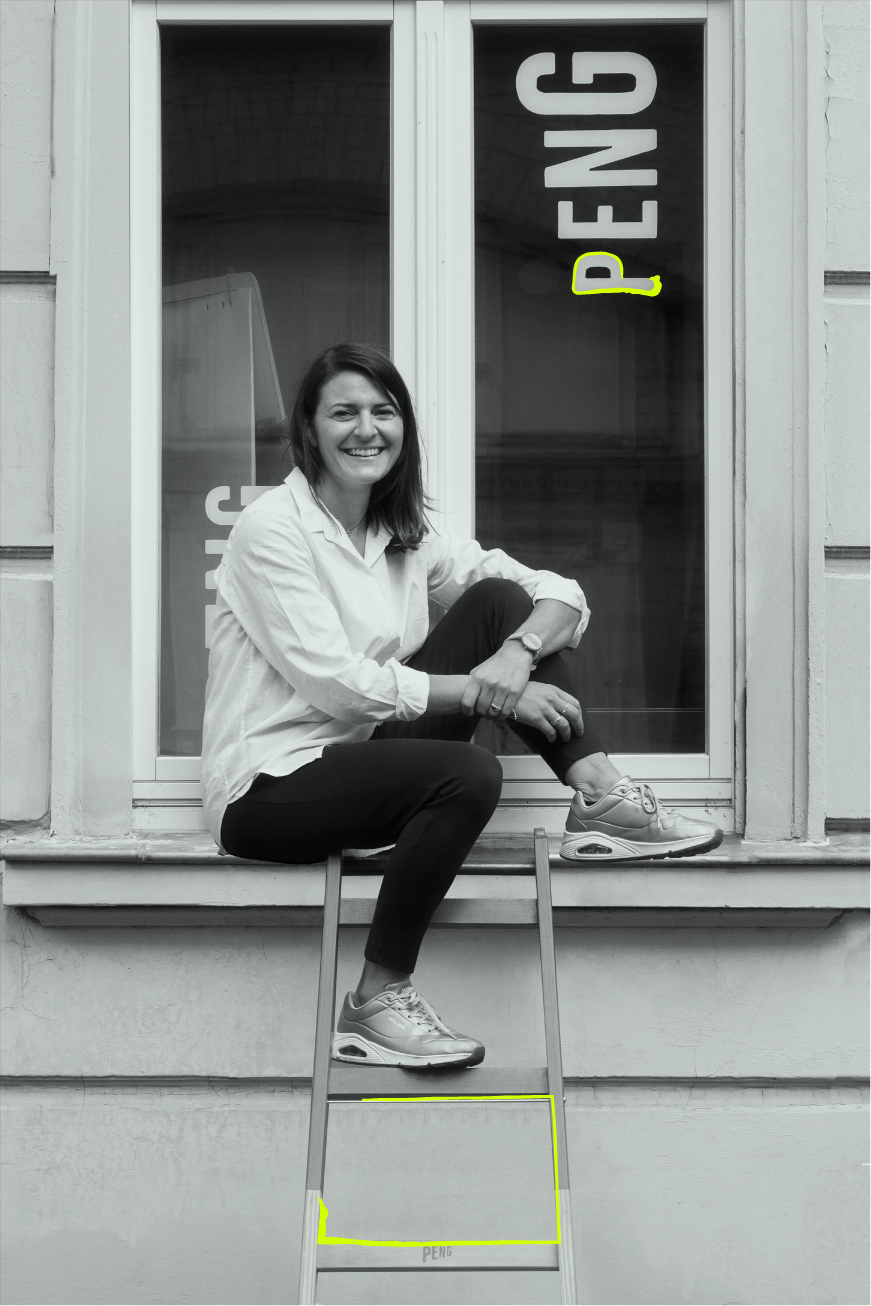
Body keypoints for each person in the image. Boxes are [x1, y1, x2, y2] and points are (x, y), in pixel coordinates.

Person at [202, 342, 722, 1070]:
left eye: (383, 412)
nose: (366, 429)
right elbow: (337, 683)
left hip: (368, 762)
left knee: (502, 602)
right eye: (344, 413)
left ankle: (602, 800)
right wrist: (492, 689)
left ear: (403, 428)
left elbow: (559, 594)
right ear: (309, 430)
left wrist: (517, 654)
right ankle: (376, 1003)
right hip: (268, 788)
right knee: (470, 773)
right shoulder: (271, 528)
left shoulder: (402, 532)